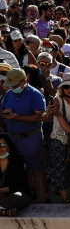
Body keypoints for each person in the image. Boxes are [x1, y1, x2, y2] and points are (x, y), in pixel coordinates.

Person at [1, 68, 46, 203]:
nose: (13, 88)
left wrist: (19, 117)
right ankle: (26, 198)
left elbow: (41, 117)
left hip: (31, 138)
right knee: (19, 171)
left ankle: (43, 201)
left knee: (36, 171)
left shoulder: (35, 95)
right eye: (11, 85)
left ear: (24, 81)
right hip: (13, 138)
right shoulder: (9, 94)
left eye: (15, 85)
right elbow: (1, 111)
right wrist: (5, 113)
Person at [43, 74, 70, 204]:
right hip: (59, 140)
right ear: (62, 88)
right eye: (66, 87)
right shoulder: (57, 100)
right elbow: (46, 118)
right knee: (60, 172)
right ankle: (66, 203)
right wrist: (49, 112)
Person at [0, 132, 31, 216]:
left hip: (18, 196)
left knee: (16, 197)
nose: (1, 148)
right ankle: (2, 210)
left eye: (3, 145)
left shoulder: (18, 161)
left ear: (9, 145)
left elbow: (17, 185)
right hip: (1, 198)